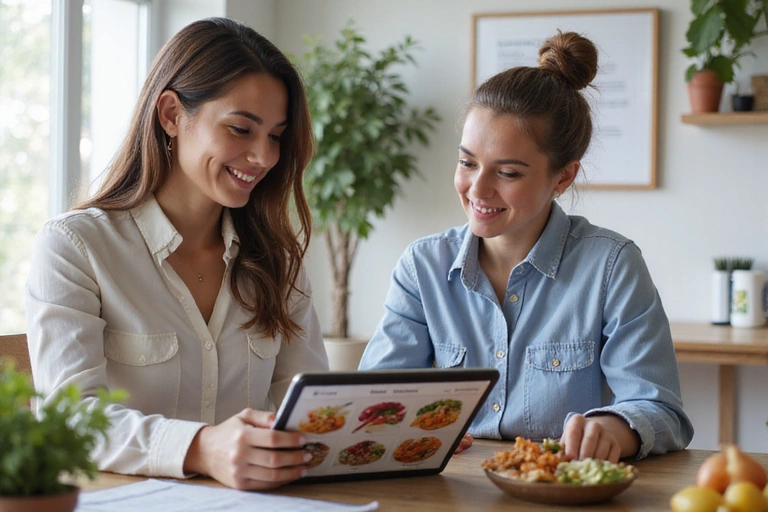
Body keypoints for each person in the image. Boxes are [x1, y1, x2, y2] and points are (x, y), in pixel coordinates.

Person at [359, 31, 693, 463]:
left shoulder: (611, 266)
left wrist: (613, 428)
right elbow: (375, 401)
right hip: (447, 488)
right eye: (467, 162)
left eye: (508, 173)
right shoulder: (422, 266)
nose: (477, 189)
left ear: (563, 177)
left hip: (557, 487)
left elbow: (661, 409)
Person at [25, 18, 328, 490]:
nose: (264, 157)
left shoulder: (279, 261)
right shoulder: (75, 247)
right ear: (170, 114)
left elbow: (310, 407)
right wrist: (202, 448)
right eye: (241, 129)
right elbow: (70, 419)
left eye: (275, 136)